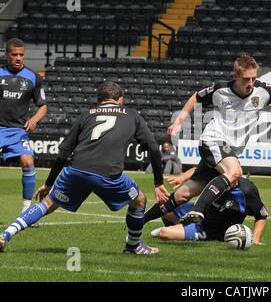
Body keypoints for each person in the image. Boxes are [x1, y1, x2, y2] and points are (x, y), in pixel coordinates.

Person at [0, 81, 169, 254]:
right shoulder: (132, 114)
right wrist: (158, 183)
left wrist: (49, 183)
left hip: (76, 171)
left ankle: (6, 234)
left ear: (98, 100)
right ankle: (133, 246)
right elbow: (154, 149)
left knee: (48, 203)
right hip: (108, 175)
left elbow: (63, 153)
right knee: (139, 199)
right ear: (120, 100)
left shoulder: (87, 114)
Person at [144, 53, 271, 225]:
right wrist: (180, 118)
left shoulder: (264, 91)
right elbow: (197, 97)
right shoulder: (220, 90)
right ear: (235, 76)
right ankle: (197, 210)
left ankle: (139, 220)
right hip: (213, 140)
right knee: (235, 173)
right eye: (246, 79)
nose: (250, 83)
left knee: (183, 194)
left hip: (229, 152)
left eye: (253, 78)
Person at [146, 168, 268, 245]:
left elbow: (261, 215)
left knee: (164, 233)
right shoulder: (218, 174)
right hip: (200, 213)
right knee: (165, 206)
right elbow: (198, 169)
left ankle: (181, 231)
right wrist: (182, 178)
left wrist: (255, 239)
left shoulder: (247, 191)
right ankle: (181, 227)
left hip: (211, 230)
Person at [0, 38, 48, 215]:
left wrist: (35, 119)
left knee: (28, 161)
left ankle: (26, 211)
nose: (18, 58)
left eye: (21, 54)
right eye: (14, 54)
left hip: (17, 131)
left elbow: (43, 105)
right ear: (7, 54)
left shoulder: (33, 77)